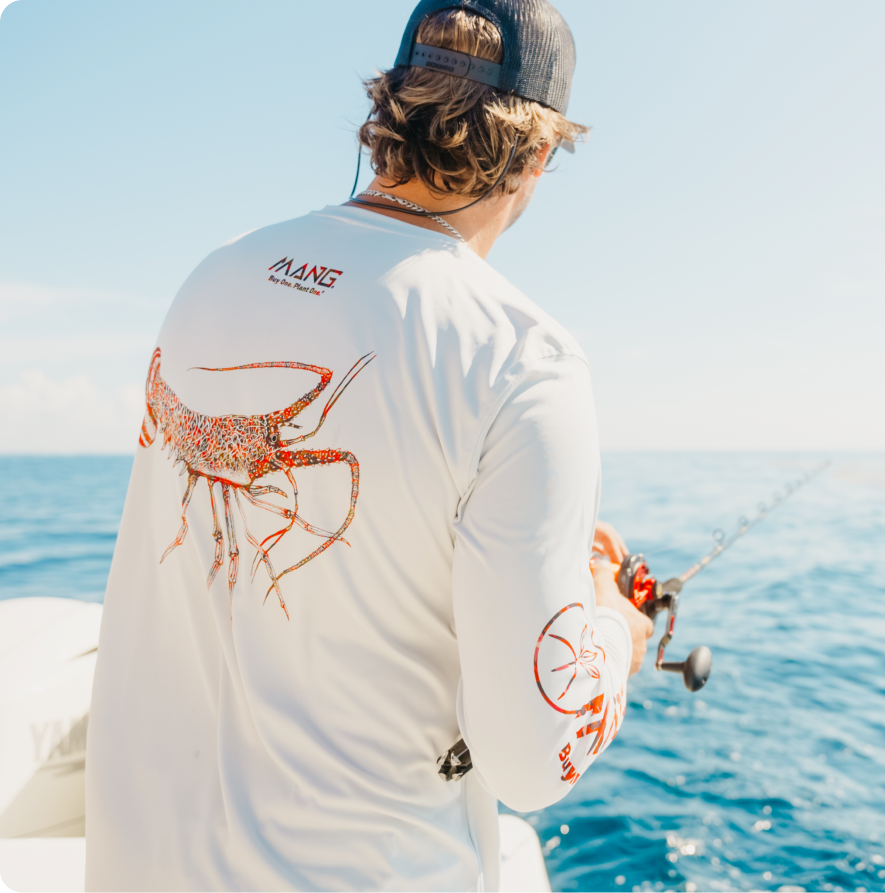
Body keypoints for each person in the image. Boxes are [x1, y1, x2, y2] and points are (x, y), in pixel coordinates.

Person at [85, 1, 654, 890]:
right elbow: (532, 762)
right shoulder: (524, 362)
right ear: (541, 153)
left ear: (389, 107)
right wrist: (612, 623)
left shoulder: (213, 272)